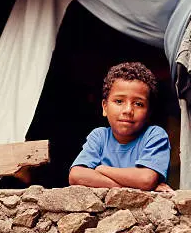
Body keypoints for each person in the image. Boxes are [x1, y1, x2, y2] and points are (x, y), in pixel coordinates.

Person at [68, 62, 171, 191]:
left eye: (138, 104)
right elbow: (77, 175)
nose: (128, 110)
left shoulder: (154, 135)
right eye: (119, 101)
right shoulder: (99, 136)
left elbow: (146, 179)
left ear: (149, 112)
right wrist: (132, 188)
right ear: (105, 107)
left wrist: (101, 169)